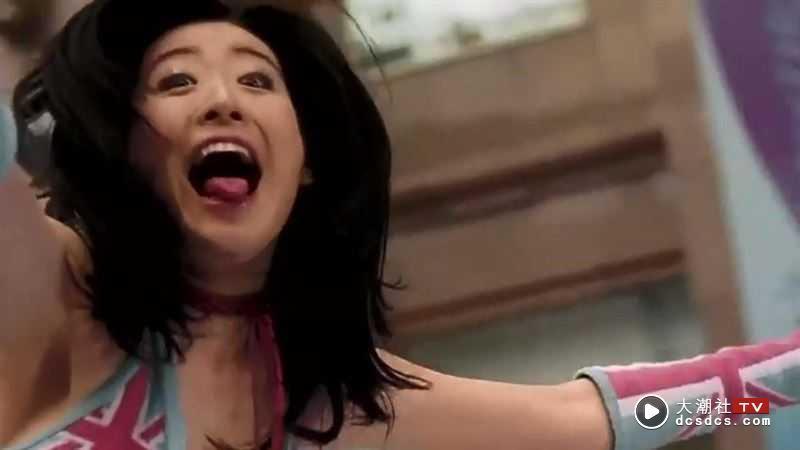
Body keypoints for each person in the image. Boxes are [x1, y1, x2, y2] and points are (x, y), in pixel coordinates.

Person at [0, 1, 798, 450]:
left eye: (258, 81)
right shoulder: (52, 301)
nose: (223, 100)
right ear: (122, 141)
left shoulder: (334, 407)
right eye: (177, 82)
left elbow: (601, 422)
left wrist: (780, 391)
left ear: (307, 160)